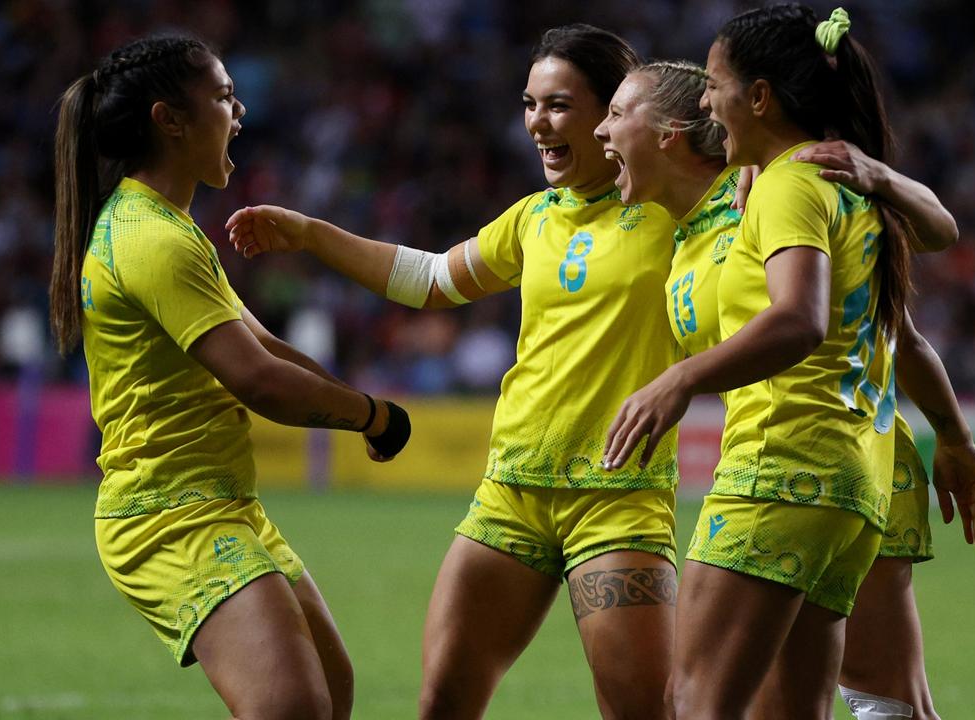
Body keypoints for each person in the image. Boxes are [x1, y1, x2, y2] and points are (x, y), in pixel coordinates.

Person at [225, 25, 684, 720]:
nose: (537, 123)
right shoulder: (534, 217)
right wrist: (314, 234)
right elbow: (431, 279)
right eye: (530, 104)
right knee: (442, 703)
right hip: (512, 493)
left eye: (558, 105)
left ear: (612, 113)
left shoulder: (680, 213)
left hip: (617, 498)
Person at [600, 5, 975, 717]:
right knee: (829, 706)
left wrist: (680, 378)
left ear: (757, 97)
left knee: (696, 703)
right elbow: (901, 317)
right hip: (847, 485)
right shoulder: (805, 188)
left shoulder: (787, 185)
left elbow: (803, 320)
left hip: (783, 465)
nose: (709, 102)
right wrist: (957, 438)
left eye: (716, 84)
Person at [50, 34, 409, 720]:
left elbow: (266, 346)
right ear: (169, 120)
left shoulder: (168, 227)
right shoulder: (149, 238)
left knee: (331, 695)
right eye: (221, 96)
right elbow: (259, 382)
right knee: (293, 706)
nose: (238, 110)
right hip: (167, 513)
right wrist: (371, 416)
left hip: (223, 504)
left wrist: (361, 408)